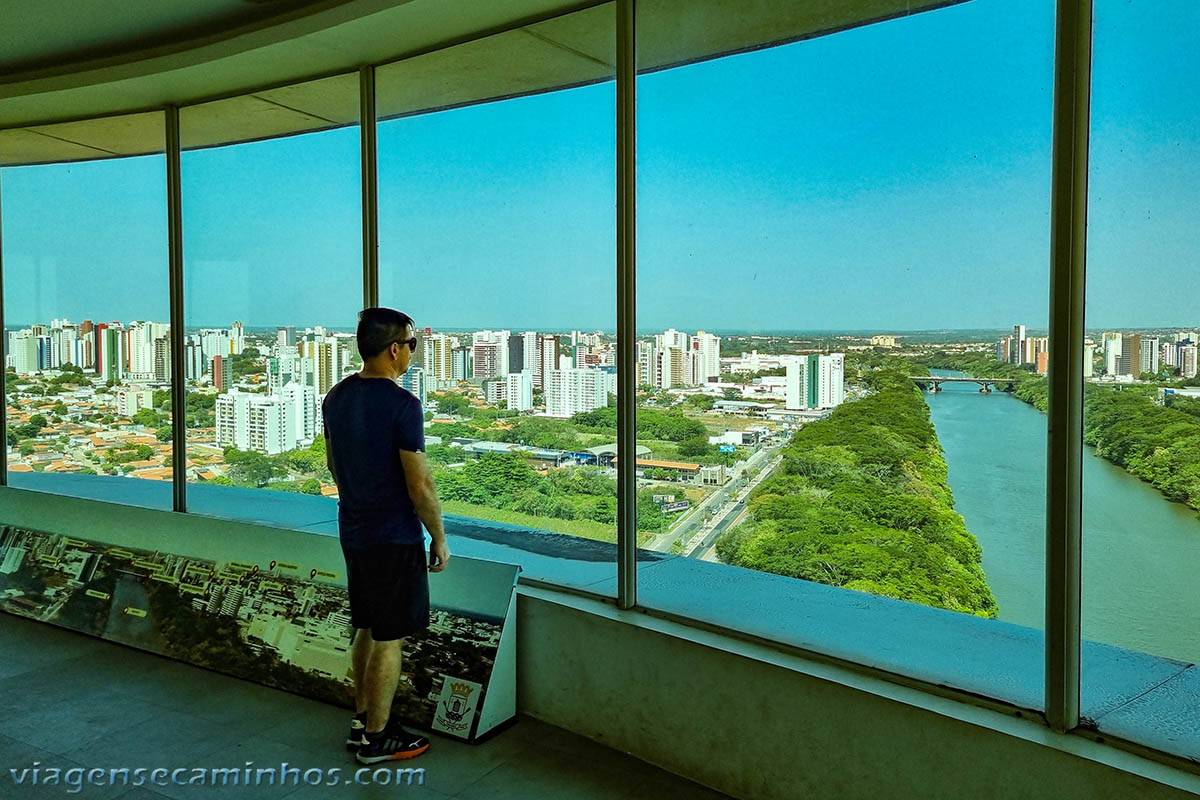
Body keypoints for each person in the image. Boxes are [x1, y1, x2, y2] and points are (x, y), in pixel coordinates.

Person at [322, 307, 451, 764]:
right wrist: (437, 536)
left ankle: (364, 719)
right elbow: (420, 484)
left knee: (367, 625)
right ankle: (376, 739)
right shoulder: (402, 405)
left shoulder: (336, 397)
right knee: (390, 636)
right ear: (395, 349)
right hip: (393, 535)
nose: (413, 353)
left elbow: (334, 464)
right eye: (412, 345)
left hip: (353, 529)